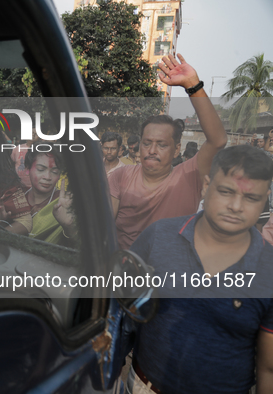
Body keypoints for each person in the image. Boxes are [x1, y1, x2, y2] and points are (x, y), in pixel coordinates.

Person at [127, 145, 273, 393]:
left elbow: (268, 367)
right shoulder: (159, 236)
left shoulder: (269, 269)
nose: (236, 206)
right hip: (142, 385)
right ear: (206, 186)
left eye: (250, 198)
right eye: (226, 191)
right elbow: (123, 312)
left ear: (265, 199)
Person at [109, 54, 228, 250]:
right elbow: (105, 229)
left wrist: (193, 84)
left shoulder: (189, 177)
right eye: (147, 143)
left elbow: (218, 140)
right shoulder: (121, 176)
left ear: (176, 150)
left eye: (162, 145)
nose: (152, 150)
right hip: (124, 271)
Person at [23, 144, 77, 245]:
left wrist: (69, 228)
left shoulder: (65, 204)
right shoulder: (14, 197)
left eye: (54, 171)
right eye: (40, 169)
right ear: (27, 169)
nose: (47, 177)